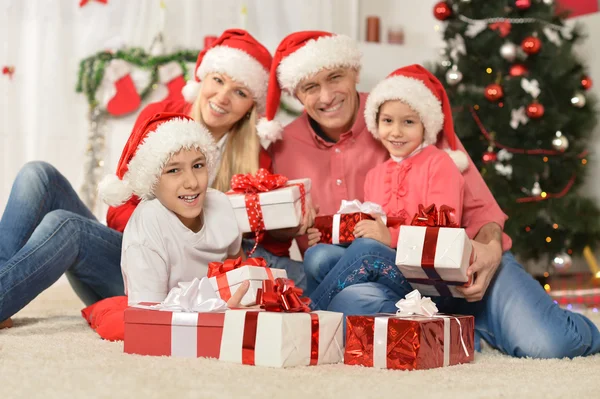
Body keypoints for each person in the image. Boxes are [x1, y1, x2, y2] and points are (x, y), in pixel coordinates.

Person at [263, 30, 600, 358]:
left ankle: (549, 328)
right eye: (310, 86)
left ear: (354, 72)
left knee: (552, 345)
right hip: (384, 283)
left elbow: (483, 210)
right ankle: (457, 333)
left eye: (335, 77)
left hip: (463, 267)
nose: (325, 96)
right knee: (345, 291)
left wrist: (491, 250)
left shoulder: (402, 108)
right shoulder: (283, 146)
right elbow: (292, 245)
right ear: (296, 93)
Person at [0, 28, 302, 326]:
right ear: (203, 78)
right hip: (141, 254)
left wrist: (289, 229)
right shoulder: (161, 117)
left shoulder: (254, 154)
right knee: (37, 175)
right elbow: (120, 204)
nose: (222, 98)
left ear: (253, 103)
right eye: (218, 80)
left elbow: (259, 249)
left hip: (185, 284)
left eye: (240, 92)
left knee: (65, 226)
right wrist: (160, 230)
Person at [306, 65, 467, 309]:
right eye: (388, 121)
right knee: (317, 255)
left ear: (425, 125)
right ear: (376, 123)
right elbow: (370, 230)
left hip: (425, 279)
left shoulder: (439, 163)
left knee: (368, 249)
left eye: (408, 122)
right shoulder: (375, 174)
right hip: (385, 269)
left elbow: (443, 234)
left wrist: (388, 236)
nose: (396, 132)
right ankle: (338, 310)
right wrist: (330, 236)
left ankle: (308, 315)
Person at [99, 112, 244, 304]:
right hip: (155, 306)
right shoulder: (148, 225)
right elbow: (148, 318)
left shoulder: (220, 204)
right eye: (173, 170)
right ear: (152, 180)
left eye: (198, 165)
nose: (192, 182)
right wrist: (220, 313)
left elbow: (238, 265)